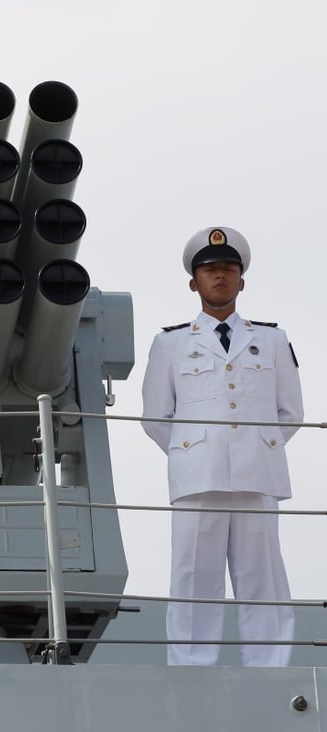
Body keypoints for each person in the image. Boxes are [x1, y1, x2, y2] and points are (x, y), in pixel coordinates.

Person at [141, 226, 303, 667]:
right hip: (198, 475)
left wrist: (255, 446)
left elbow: (290, 412)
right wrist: (194, 451)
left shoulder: (271, 339)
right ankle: (192, 667)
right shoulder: (170, 343)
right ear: (194, 282)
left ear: (242, 280)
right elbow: (157, 418)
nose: (220, 276)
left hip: (258, 474)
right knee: (194, 575)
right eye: (210, 270)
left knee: (263, 577)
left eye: (229, 269)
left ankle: (270, 667)